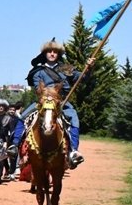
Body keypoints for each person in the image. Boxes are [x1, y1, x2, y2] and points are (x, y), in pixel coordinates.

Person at [9, 38, 94, 169]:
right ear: (45, 54)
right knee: (23, 117)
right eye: (49, 52)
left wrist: (88, 69)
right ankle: (14, 146)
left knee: (74, 119)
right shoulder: (38, 72)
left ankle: (73, 152)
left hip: (62, 102)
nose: (52, 54)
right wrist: (47, 95)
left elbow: (82, 78)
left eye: (55, 52)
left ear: (58, 54)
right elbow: (38, 88)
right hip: (43, 102)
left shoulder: (66, 69)